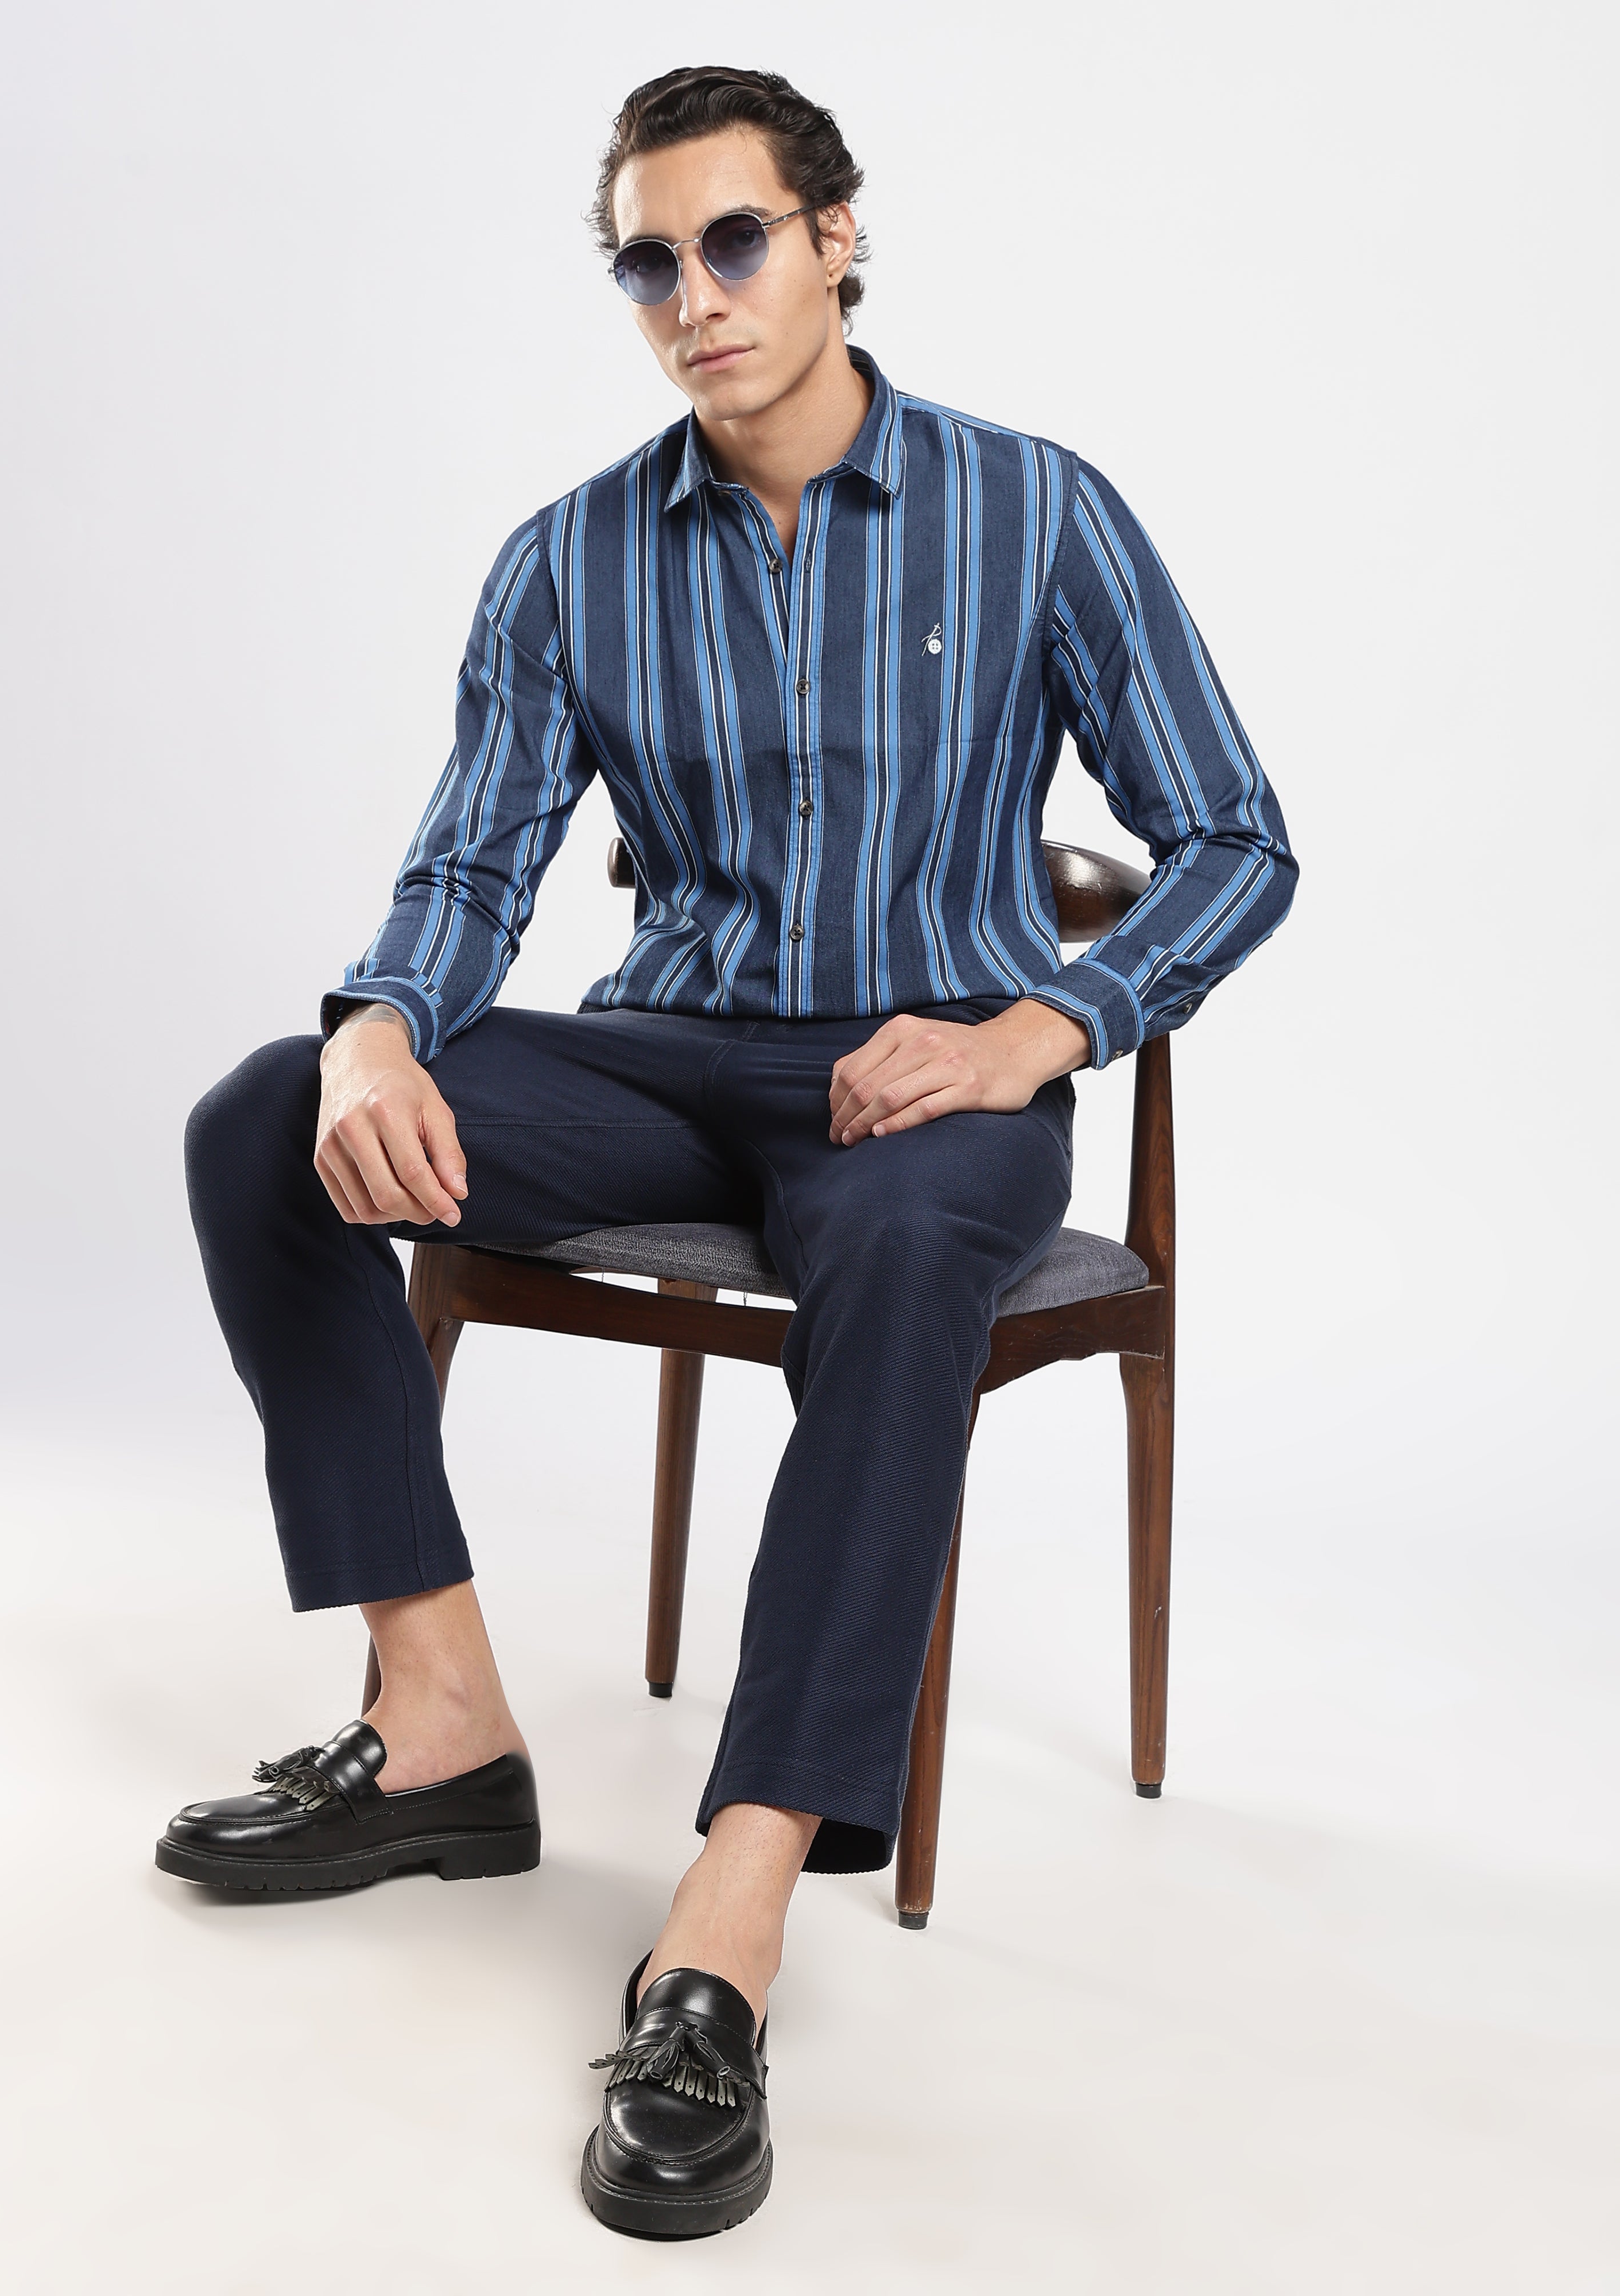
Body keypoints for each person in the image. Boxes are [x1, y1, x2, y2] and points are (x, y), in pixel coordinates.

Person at [161, 64, 1297, 2237]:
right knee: (263, 1120)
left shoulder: (1034, 510)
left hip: (922, 1087)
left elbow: (1236, 839)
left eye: (736, 241)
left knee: (902, 1248)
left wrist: (1040, 1029)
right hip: (662, 1062)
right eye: (649, 263)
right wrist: (379, 1028)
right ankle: (442, 1725)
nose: (694, 296)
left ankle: (734, 1912)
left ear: (837, 238)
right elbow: (473, 863)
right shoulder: (572, 557)